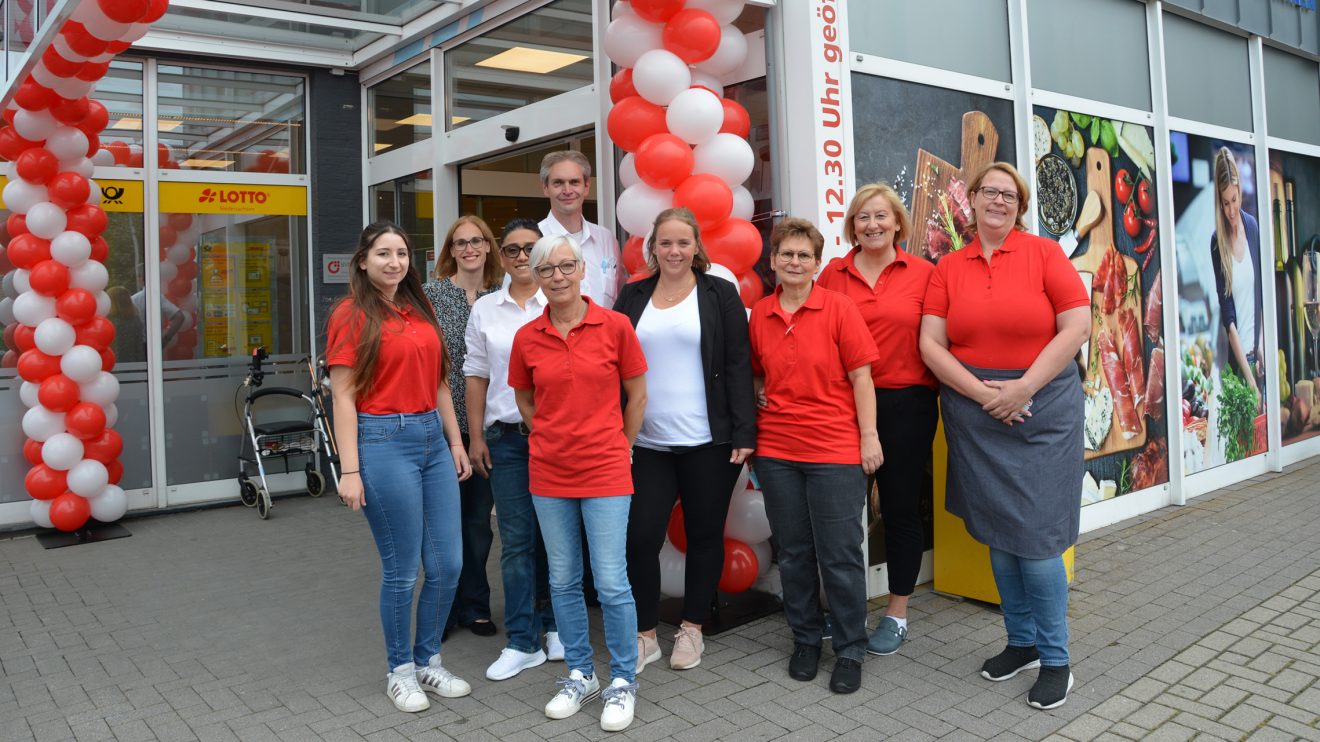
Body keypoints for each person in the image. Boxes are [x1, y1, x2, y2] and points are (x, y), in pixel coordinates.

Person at [919, 162, 1090, 710]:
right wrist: (983, 394)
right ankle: (1021, 643)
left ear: (1020, 204)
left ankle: (1057, 660)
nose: (998, 201)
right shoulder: (948, 266)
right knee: (997, 534)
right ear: (971, 200)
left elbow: (1077, 326)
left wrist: (1022, 390)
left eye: (1009, 195)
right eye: (989, 192)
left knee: (1037, 541)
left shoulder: (1044, 254)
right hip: (976, 413)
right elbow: (931, 344)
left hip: (1043, 409)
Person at [326, 221, 474, 712]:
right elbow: (343, 398)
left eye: (403, 253)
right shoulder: (349, 314)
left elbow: (438, 383)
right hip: (382, 441)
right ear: (363, 261)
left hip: (432, 437)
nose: (395, 262)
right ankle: (400, 670)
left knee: (449, 564)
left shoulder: (419, 308)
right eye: (384, 253)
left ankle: (428, 658)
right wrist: (350, 471)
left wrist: (455, 441)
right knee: (402, 569)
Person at [508, 234, 647, 732]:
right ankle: (581, 673)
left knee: (611, 581)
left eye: (566, 266)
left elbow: (637, 395)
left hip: (607, 469)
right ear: (537, 278)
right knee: (563, 580)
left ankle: (624, 680)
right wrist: (544, 429)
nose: (558, 277)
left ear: (582, 269)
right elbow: (525, 398)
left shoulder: (615, 326)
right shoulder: (528, 337)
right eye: (547, 270)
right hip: (549, 472)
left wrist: (622, 444)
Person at [614, 207, 757, 673]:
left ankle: (692, 629)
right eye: (665, 242)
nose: (674, 251)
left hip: (709, 443)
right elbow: (613, 365)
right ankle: (646, 634)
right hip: (648, 443)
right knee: (640, 537)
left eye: (682, 242)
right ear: (651, 247)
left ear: (697, 246)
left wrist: (744, 430)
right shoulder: (632, 295)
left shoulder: (720, 293)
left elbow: (738, 363)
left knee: (704, 535)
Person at [748, 217, 882, 695]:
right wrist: (760, 387)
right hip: (777, 450)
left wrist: (869, 437)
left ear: (817, 263)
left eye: (804, 255)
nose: (795, 262)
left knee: (840, 554)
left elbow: (862, 377)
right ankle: (806, 638)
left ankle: (850, 647)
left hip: (834, 448)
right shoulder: (760, 314)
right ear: (773, 261)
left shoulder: (840, 308)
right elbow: (757, 372)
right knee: (795, 552)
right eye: (787, 254)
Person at [817, 183, 937, 657]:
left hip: (906, 403)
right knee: (841, 514)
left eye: (881, 216)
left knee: (901, 507)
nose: (872, 225)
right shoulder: (832, 274)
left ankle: (897, 612)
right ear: (852, 226)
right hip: (841, 403)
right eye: (863, 217)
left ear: (897, 223)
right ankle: (842, 608)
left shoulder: (925, 273)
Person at [463, 218, 564, 680]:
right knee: (518, 542)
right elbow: (476, 373)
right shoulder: (486, 308)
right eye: (512, 250)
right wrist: (476, 436)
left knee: (559, 539)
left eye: (530, 248)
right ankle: (523, 640)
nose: (522, 257)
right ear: (498, 256)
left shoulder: (563, 301)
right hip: (505, 442)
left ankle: (557, 627)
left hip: (560, 439)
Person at [423, 216, 502, 639]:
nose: (469, 248)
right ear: (450, 251)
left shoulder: (505, 294)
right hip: (441, 428)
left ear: (489, 246)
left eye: (477, 241)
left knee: (476, 521)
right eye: (460, 243)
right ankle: (445, 608)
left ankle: (475, 606)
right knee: (442, 522)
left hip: (489, 428)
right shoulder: (431, 295)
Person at [1209, 146, 1264, 406]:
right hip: (1238, 366)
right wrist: (1249, 380)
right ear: (1219, 201)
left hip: (1261, 358)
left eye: (1235, 198)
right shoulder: (1217, 244)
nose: (1232, 209)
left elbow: (1260, 297)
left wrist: (1262, 346)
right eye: (1226, 202)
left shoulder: (1253, 227)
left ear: (1240, 189)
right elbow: (1228, 319)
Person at [538, 150, 623, 309]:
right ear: (545, 188)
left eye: (574, 182)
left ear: (586, 187)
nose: (567, 190)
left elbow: (619, 297)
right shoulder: (532, 240)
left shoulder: (606, 239)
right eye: (558, 183)